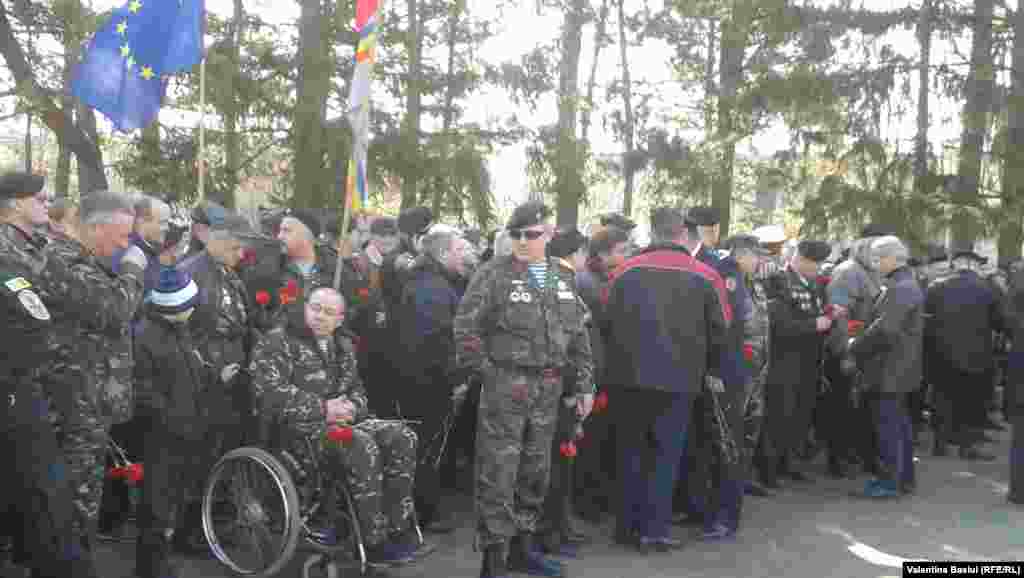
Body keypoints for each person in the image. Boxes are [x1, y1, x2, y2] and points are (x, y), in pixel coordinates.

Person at [454, 201, 594, 578]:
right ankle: (494, 559)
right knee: (498, 472)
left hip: (548, 391)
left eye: (530, 234)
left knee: (535, 471)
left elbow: (577, 333)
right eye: (515, 233)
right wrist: (490, 373)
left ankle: (522, 548)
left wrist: (584, 384)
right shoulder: (493, 275)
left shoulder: (557, 277)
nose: (521, 241)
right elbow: (466, 330)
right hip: (506, 388)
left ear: (547, 236)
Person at [250, 287, 421, 565]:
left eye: (329, 312)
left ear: (340, 319)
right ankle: (373, 540)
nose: (320, 316)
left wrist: (352, 408)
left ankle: (396, 529)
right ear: (305, 308)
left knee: (402, 436)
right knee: (359, 443)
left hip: (344, 424)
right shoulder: (277, 343)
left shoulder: (343, 346)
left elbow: (359, 391)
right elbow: (268, 395)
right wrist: (324, 408)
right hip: (298, 433)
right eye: (315, 308)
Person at [603, 206, 730, 553]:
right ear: (683, 235)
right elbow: (721, 330)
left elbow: (605, 322)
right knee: (665, 455)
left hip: (627, 378)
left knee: (630, 452)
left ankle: (627, 527)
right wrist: (712, 370)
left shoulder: (623, 272)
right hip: (680, 380)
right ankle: (654, 529)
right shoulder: (705, 275)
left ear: (652, 231)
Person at [40, 190, 148, 568]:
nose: (126, 244)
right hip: (72, 402)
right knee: (72, 502)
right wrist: (134, 270)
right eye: (121, 235)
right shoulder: (63, 259)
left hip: (89, 400)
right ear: (96, 227)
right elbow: (116, 309)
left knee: (83, 499)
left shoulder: (86, 259)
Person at [394, 229, 471, 534]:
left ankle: (422, 510)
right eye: (456, 250)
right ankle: (422, 514)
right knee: (427, 448)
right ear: (442, 254)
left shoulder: (429, 282)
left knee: (426, 446)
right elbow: (438, 341)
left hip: (421, 378)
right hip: (426, 383)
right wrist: (455, 379)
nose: (461, 255)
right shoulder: (433, 288)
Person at [132, 268, 208, 578]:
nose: (193, 310)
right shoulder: (145, 336)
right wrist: (171, 419)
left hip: (183, 430)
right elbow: (143, 390)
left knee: (170, 502)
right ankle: (150, 569)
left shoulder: (179, 329)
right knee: (156, 506)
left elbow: (189, 371)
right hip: (160, 436)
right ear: (173, 309)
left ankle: (161, 561)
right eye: (188, 305)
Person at [846, 236, 923, 499]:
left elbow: (886, 329)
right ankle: (903, 479)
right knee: (899, 425)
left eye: (879, 258)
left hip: (890, 368)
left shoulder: (900, 287)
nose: (876, 264)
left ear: (892, 259)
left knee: (889, 427)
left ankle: (889, 481)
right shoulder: (905, 283)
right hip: (900, 367)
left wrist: (856, 344)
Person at [757, 239, 833, 488]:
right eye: (813, 264)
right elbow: (778, 323)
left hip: (808, 361)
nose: (817, 269)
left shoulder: (815, 284)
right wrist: (815, 325)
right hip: (783, 360)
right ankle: (769, 469)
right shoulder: (778, 281)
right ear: (799, 259)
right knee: (779, 414)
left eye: (819, 264)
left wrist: (830, 317)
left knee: (800, 414)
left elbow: (818, 310)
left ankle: (789, 463)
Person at [926, 250, 1004, 460]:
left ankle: (940, 444)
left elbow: (927, 318)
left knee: (942, 397)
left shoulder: (935, 286)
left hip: (941, 352)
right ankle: (967, 446)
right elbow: (1000, 321)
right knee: (970, 400)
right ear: (972, 265)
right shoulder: (987, 288)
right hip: (976, 354)